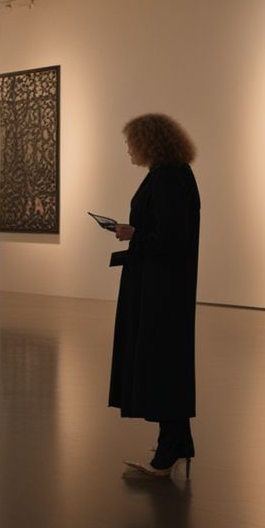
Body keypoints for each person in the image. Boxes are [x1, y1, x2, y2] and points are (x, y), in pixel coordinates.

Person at [109, 113, 200, 478]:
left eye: (132, 142)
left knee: (161, 365)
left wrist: (133, 234)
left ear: (150, 142)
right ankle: (177, 444)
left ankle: (168, 454)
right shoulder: (171, 175)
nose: (129, 149)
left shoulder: (167, 179)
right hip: (159, 286)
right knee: (166, 365)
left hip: (161, 290)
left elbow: (171, 240)